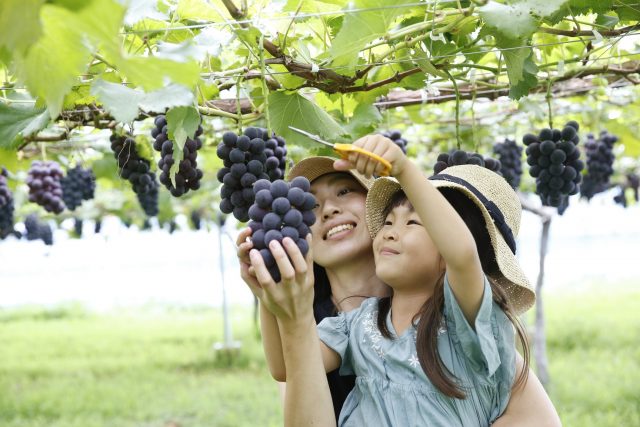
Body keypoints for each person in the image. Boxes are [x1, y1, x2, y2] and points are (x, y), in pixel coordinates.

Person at [236, 139, 560, 426]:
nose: (390, 230)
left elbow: (462, 254)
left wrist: (403, 169)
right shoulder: (359, 324)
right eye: (388, 221)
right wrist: (270, 292)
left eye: (414, 221)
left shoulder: (465, 328)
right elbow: (285, 366)